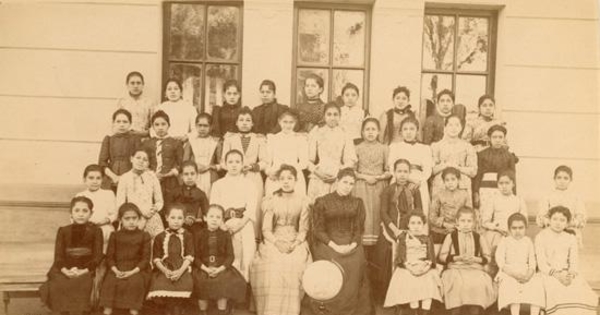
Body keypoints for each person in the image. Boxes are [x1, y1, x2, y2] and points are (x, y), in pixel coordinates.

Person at [306, 168, 372, 315]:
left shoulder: (357, 202)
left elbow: (358, 229)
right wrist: (335, 246)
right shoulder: (322, 201)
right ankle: (329, 309)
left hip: (350, 243)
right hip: (328, 243)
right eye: (345, 182)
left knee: (356, 260)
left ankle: (350, 309)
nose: (347, 186)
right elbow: (318, 230)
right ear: (337, 181)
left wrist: (352, 245)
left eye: (351, 183)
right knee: (331, 261)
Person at [251, 165, 312, 315]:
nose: (286, 182)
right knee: (273, 265)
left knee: (294, 263)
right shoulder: (271, 200)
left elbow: (304, 229)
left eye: (290, 178)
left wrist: (296, 243)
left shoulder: (302, 201)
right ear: (278, 181)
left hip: (295, 239)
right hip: (274, 239)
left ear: (296, 180)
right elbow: (266, 230)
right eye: (282, 179)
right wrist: (277, 243)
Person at [40, 196, 103, 315]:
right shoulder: (63, 230)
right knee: (59, 283)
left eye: (85, 211)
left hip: (87, 268)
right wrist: (65, 270)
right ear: (71, 213)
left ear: (91, 213)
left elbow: (98, 256)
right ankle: (64, 312)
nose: (81, 214)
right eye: (77, 210)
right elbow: (58, 256)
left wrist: (83, 271)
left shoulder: (96, 231)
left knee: (83, 284)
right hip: (64, 267)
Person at [535, 206, 598, 315]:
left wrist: (569, 276)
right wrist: (558, 276)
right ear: (549, 220)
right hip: (549, 273)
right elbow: (542, 264)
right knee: (558, 291)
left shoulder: (570, 238)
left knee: (579, 291)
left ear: (567, 223)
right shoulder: (541, 236)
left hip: (567, 273)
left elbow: (574, 262)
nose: (558, 223)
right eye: (554, 219)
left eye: (562, 220)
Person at [374, 159, 422, 299]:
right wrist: (394, 230)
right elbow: (383, 213)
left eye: (405, 171)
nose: (402, 175)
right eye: (399, 171)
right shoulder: (388, 190)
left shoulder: (414, 190)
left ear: (409, 173)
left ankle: (408, 294)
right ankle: (388, 294)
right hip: (391, 229)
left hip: (410, 230)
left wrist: (412, 229)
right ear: (394, 173)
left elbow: (419, 211)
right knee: (387, 252)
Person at [438, 207, 496, 315]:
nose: (466, 224)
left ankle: (475, 311)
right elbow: (442, 256)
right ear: (457, 222)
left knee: (479, 282)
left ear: (474, 223)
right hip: (455, 268)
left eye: (469, 221)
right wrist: (456, 258)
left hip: (474, 268)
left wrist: (476, 259)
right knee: (456, 283)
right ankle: (455, 312)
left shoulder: (479, 237)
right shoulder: (451, 236)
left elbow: (488, 257)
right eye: (462, 221)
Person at [211, 150, 257, 282]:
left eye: (237, 162)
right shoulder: (218, 185)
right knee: (226, 257)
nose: (234, 165)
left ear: (243, 164)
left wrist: (238, 227)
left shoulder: (249, 184)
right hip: (223, 225)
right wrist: (223, 226)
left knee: (246, 257)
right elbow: (214, 208)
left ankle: (243, 290)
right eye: (230, 162)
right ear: (225, 164)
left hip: (243, 225)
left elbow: (250, 210)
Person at [221, 107, 267, 238]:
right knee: (233, 203)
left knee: (254, 207)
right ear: (236, 122)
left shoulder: (259, 138)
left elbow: (265, 161)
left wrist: (253, 166)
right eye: (241, 120)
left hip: (253, 176)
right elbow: (223, 161)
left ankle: (254, 239)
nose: (244, 123)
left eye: (248, 120)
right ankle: (231, 236)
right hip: (233, 176)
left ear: (252, 123)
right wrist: (235, 167)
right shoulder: (230, 138)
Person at [384, 212, 442, 315]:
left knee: (428, 283)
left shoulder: (427, 238)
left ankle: (425, 312)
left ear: (423, 224)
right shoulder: (403, 237)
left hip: (424, 266)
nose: (416, 226)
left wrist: (425, 268)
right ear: (408, 225)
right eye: (413, 223)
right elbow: (401, 257)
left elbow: (431, 257)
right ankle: (414, 311)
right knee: (411, 283)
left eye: (419, 223)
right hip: (408, 266)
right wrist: (411, 269)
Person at [193, 204, 247, 315]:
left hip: (221, 268)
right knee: (200, 281)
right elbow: (196, 257)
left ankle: (221, 311)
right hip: (204, 268)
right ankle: (203, 312)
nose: (214, 220)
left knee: (224, 281)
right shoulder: (199, 235)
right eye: (211, 216)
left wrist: (219, 269)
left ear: (222, 220)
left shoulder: (225, 235)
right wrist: (206, 269)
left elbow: (230, 256)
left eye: (218, 217)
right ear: (205, 218)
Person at [99, 203, 151, 315]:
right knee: (110, 282)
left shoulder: (144, 235)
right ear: (120, 219)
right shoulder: (115, 235)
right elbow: (109, 257)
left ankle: (134, 311)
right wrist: (115, 270)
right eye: (127, 219)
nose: (131, 221)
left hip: (137, 269)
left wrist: (132, 272)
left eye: (134, 218)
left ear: (139, 219)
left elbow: (145, 259)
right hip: (117, 268)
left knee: (135, 282)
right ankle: (107, 311)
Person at [147, 205, 195, 315]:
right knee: (160, 284)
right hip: (164, 268)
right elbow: (156, 258)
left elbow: (189, 256)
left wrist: (180, 271)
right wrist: (165, 271)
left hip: (182, 267)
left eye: (180, 218)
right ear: (166, 218)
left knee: (184, 283)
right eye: (173, 218)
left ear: (184, 219)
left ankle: (177, 310)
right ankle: (167, 311)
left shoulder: (188, 236)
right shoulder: (160, 237)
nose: (176, 221)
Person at [494, 213, 543, 315]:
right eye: (514, 228)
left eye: (521, 228)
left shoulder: (528, 241)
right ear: (509, 229)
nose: (517, 231)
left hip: (526, 271)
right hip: (508, 271)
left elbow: (532, 261)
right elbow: (500, 261)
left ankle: (535, 313)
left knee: (536, 285)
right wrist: (514, 274)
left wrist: (529, 275)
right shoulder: (505, 241)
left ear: (526, 228)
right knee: (511, 286)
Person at [307, 103, 357, 202]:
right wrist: (318, 173)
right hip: (319, 175)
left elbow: (350, 159)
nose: (332, 118)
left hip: (338, 175)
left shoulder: (344, 133)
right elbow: (309, 160)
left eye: (335, 114)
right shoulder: (317, 132)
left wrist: (339, 173)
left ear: (340, 116)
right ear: (324, 116)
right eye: (329, 114)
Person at [353, 118, 390, 247]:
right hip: (361, 186)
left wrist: (379, 177)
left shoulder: (384, 148)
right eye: (367, 129)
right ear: (362, 132)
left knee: (377, 214)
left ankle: (377, 251)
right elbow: (352, 171)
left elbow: (389, 170)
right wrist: (364, 177)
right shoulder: (357, 148)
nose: (370, 132)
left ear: (379, 132)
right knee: (364, 215)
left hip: (379, 186)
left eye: (373, 129)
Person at [480, 171, 527, 274]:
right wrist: (496, 227)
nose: (504, 186)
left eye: (507, 183)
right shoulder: (493, 199)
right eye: (501, 183)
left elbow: (524, 221)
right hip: (496, 232)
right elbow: (484, 221)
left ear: (513, 184)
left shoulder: (518, 200)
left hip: (514, 232)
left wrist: (512, 230)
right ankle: (492, 271)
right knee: (494, 244)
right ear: (497, 184)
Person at [143, 110, 183, 222]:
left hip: (170, 181)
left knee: (169, 207)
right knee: (153, 207)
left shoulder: (176, 143)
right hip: (151, 180)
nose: (160, 127)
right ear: (152, 127)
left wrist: (167, 174)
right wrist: (152, 174)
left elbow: (179, 163)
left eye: (163, 124)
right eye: (157, 124)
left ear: (169, 125)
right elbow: (144, 161)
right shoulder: (147, 143)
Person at [388, 116, 433, 216]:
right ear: (400, 132)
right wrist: (405, 178)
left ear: (417, 131)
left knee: (419, 207)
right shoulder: (394, 147)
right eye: (405, 129)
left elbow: (427, 169)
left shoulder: (424, 148)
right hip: (399, 179)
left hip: (418, 181)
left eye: (412, 129)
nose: (408, 132)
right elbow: (391, 166)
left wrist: (419, 181)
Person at [116, 148, 164, 237]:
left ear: (148, 163)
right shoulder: (124, 178)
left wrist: (152, 210)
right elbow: (120, 203)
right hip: (132, 217)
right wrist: (133, 215)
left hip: (150, 215)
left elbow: (159, 201)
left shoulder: (152, 177)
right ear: (131, 159)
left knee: (157, 241)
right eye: (138, 158)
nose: (141, 161)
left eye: (145, 159)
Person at [536, 165, 587, 246]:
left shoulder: (576, 197)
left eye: (566, 178)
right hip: (551, 231)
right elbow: (541, 217)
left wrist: (568, 224)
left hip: (570, 231)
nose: (562, 181)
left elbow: (581, 218)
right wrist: (554, 224)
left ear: (571, 180)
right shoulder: (547, 196)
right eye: (559, 177)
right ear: (554, 179)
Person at [430, 115, 478, 199]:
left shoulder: (468, 146)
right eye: (450, 125)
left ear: (461, 127)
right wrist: (446, 165)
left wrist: (458, 167)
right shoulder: (436, 146)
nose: (453, 128)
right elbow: (432, 170)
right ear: (445, 127)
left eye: (457, 125)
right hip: (441, 183)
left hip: (462, 183)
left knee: (463, 211)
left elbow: (473, 171)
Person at [473, 124, 518, 208]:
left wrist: (513, 196)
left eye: (500, 137)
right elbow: (478, 175)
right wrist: (476, 192)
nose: (497, 140)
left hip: (502, 189)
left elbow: (513, 178)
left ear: (504, 138)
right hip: (485, 190)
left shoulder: (509, 156)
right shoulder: (481, 155)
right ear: (489, 138)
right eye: (494, 137)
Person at [264, 111, 308, 196]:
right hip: (275, 174)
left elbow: (304, 162)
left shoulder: (300, 138)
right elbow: (267, 161)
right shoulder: (273, 138)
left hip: (294, 174)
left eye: (291, 122)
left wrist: (290, 172)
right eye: (285, 122)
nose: (288, 125)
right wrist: (269, 172)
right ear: (279, 121)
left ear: (295, 123)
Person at [429, 167, 473, 251]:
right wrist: (444, 224)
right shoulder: (439, 195)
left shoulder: (464, 194)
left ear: (458, 180)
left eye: (453, 179)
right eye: (447, 180)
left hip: (460, 228)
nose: (450, 183)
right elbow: (432, 217)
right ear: (444, 182)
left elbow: (469, 213)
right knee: (438, 254)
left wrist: (459, 226)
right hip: (442, 230)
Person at [98, 109, 142, 191]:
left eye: (125, 122)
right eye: (118, 121)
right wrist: (114, 177)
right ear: (113, 123)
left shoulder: (135, 139)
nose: (121, 125)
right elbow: (102, 162)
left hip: (131, 176)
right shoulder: (109, 139)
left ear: (130, 124)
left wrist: (126, 178)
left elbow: (139, 160)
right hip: (111, 176)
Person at [76, 164, 116, 251]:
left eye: (98, 178)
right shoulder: (80, 195)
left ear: (102, 180)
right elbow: (73, 216)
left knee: (106, 235)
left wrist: (106, 220)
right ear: (84, 180)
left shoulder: (108, 194)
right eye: (91, 178)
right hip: (86, 227)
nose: (95, 181)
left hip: (104, 227)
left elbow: (114, 214)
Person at [164, 161, 208, 235]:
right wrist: (182, 219)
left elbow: (206, 214)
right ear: (181, 176)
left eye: (192, 174)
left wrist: (196, 220)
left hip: (194, 227)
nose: (189, 177)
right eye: (186, 174)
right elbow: (167, 211)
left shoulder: (201, 194)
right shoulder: (174, 192)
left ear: (197, 175)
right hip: (176, 226)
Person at [184, 113, 221, 197]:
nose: (202, 128)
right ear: (196, 126)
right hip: (194, 175)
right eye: (199, 125)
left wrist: (209, 167)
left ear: (211, 127)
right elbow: (185, 162)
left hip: (210, 176)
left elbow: (221, 164)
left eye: (205, 126)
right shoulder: (191, 142)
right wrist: (194, 166)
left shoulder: (216, 142)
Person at [116, 71, 154, 136]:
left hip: (143, 139)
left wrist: (146, 133)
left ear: (143, 85)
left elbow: (154, 124)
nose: (135, 86)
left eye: (138, 83)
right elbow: (116, 123)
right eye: (132, 83)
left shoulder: (149, 102)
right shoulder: (121, 102)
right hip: (125, 138)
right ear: (127, 85)